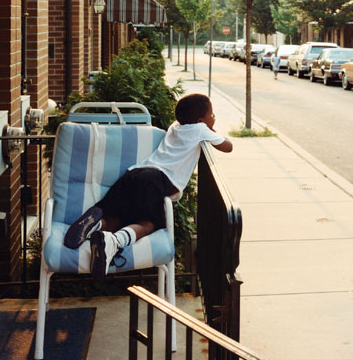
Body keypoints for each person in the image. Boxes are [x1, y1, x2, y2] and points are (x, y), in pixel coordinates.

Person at [63, 93, 233, 279]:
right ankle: (114, 242)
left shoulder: (175, 127)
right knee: (149, 224)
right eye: (212, 114)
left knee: (115, 218)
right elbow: (228, 146)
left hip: (135, 172)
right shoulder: (201, 129)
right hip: (157, 179)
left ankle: (95, 224)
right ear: (201, 120)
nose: (214, 117)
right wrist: (211, 130)